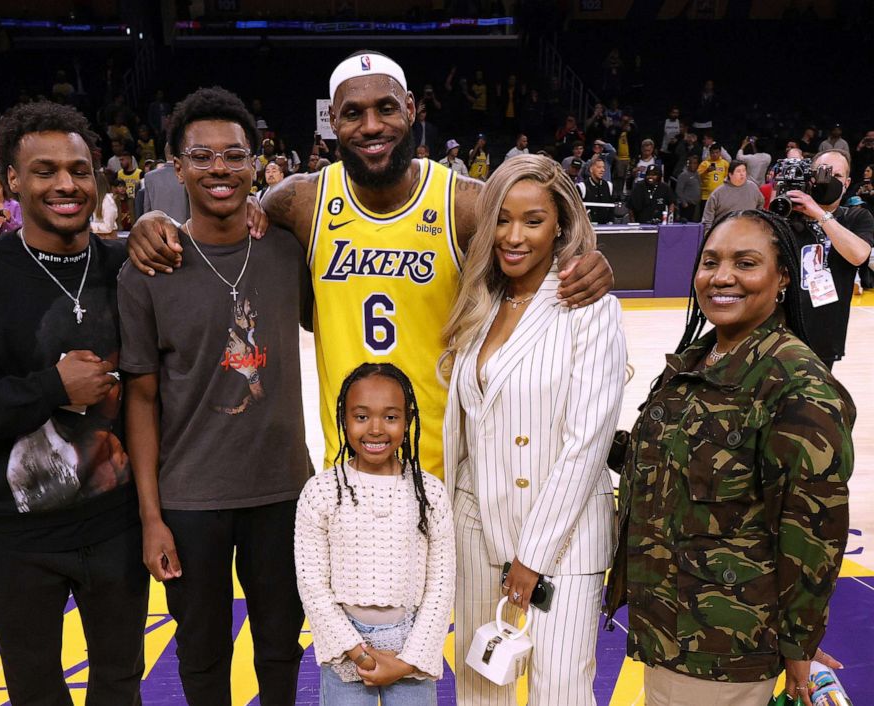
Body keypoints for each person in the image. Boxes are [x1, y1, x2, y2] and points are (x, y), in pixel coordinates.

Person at [127, 50, 613, 479]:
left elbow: (535, 236)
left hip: (447, 461)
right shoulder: (298, 201)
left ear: (411, 110)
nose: (372, 125)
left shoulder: (463, 202)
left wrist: (586, 260)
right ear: (332, 123)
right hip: (348, 461)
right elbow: (225, 217)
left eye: (385, 108)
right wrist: (155, 218)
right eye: (353, 113)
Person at [0, 101, 148, 705]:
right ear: (11, 181)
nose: (66, 184)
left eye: (80, 169)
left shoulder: (127, 266)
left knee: (120, 685)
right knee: (36, 691)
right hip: (18, 537)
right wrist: (51, 389)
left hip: (117, 526)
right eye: (44, 171)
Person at [603, 210, 854, 706]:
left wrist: (799, 644)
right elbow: (672, 464)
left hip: (723, 647)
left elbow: (813, 531)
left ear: (783, 278)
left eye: (746, 263)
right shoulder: (699, 358)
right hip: (668, 631)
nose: (722, 277)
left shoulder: (796, 384)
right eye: (710, 261)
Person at [119, 86, 311, 705]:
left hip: (283, 491)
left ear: (257, 163)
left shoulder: (288, 247)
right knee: (202, 653)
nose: (219, 169)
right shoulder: (147, 268)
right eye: (201, 157)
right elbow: (141, 401)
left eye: (234, 155)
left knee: (281, 644)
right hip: (190, 498)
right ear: (176, 167)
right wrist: (151, 517)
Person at [440, 154, 626, 705]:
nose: (513, 235)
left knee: (560, 692)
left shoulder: (591, 309)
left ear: (562, 226)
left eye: (533, 220)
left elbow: (586, 445)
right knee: (479, 690)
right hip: (478, 529)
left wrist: (532, 557)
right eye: (502, 218)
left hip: (561, 541)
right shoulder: (479, 301)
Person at [295, 363, 454, 703]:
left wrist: (408, 661)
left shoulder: (430, 493)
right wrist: (359, 653)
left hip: (410, 646)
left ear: (408, 419)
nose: (376, 429)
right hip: (346, 649)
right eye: (362, 416)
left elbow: (440, 586)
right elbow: (313, 586)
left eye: (391, 417)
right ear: (344, 417)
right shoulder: (321, 492)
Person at [784, 149, 874, 368]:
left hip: (824, 335)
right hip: (779, 333)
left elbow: (858, 255)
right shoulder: (787, 216)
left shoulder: (856, 217)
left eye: (837, 176)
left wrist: (818, 213)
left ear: (847, 182)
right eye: (824, 173)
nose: (830, 181)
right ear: (810, 177)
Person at [701, 160, 764, 229]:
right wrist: (708, 233)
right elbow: (708, 218)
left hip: (748, 230)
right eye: (738, 171)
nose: (742, 174)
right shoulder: (718, 193)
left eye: (744, 170)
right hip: (724, 231)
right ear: (730, 174)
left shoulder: (753, 187)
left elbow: (760, 204)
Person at [577, 157, 616, 224]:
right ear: (591, 169)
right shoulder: (582, 187)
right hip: (588, 227)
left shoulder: (609, 186)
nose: (603, 170)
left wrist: (610, 222)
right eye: (599, 167)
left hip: (605, 227)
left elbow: (611, 208)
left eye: (603, 167)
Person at [697, 143, 729, 213]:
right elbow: (697, 176)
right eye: (712, 153)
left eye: (717, 152)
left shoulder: (725, 163)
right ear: (710, 153)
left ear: (720, 153)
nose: (715, 154)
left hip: (720, 195)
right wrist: (706, 171)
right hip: (706, 195)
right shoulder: (705, 163)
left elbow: (727, 177)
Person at [89, 170, 118, 238]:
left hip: (107, 239)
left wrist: (89, 226)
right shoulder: (93, 200)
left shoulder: (107, 201)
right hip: (96, 237)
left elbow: (108, 227)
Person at [675, 154, 703, 222]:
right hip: (686, 205)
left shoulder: (697, 174)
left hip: (695, 205)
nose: (692, 165)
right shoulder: (684, 175)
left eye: (694, 163)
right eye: (690, 163)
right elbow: (678, 190)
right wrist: (684, 203)